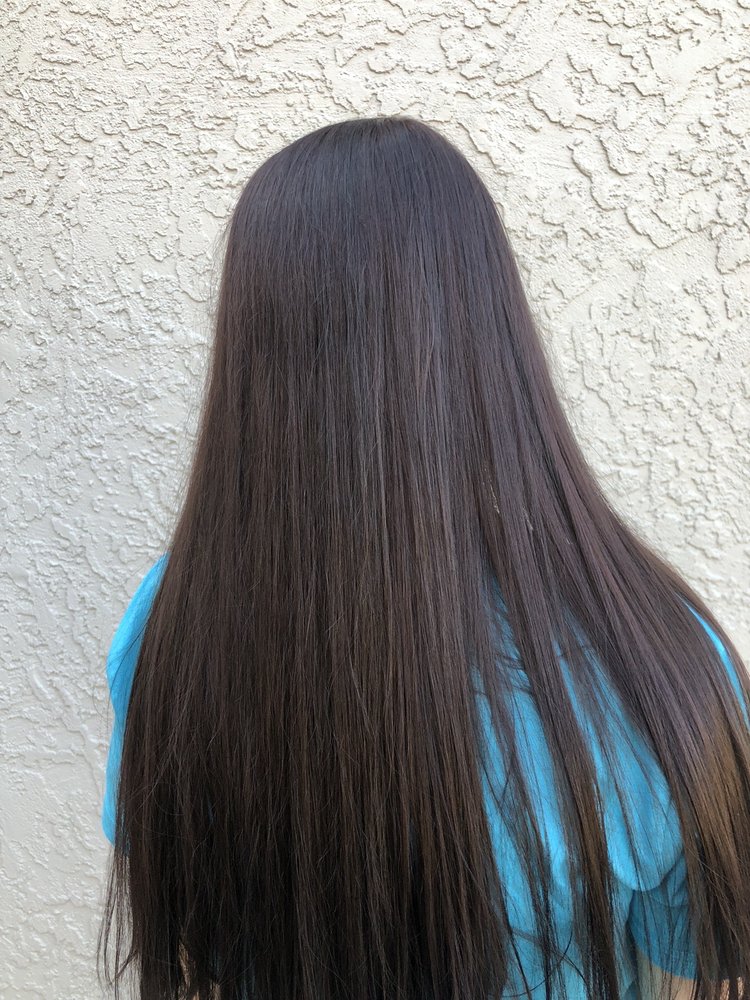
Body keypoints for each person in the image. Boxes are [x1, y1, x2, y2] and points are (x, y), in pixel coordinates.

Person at [97, 115, 750, 1000]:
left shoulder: (171, 622)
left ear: (252, 353)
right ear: (492, 334)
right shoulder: (653, 660)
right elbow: (701, 976)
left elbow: (188, 940)